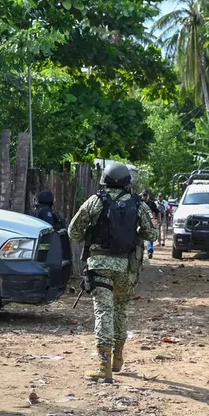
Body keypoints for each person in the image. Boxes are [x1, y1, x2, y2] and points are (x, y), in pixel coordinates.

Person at [68, 162, 158, 383]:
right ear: (128, 182)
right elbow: (152, 234)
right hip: (127, 267)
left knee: (103, 311)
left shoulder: (96, 201)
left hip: (100, 265)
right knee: (121, 310)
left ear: (104, 180)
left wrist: (92, 235)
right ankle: (118, 358)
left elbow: (73, 231)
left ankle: (103, 366)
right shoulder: (138, 204)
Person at [141, 190, 160, 258]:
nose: (145, 197)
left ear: (149, 196)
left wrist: (158, 220)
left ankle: (150, 251)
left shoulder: (152, 204)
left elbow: (157, 212)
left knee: (150, 237)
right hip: (140, 223)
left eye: (146, 195)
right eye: (144, 195)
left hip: (149, 223)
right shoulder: (139, 203)